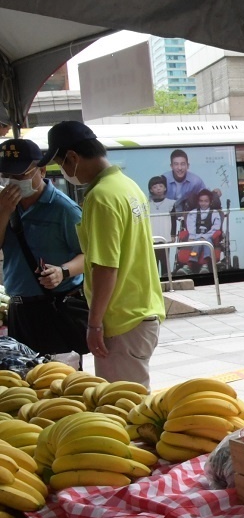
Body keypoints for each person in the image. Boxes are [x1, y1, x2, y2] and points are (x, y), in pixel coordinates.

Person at [39, 121, 165, 387]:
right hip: (142, 310)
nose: (63, 171)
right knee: (131, 400)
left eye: (61, 164)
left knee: (122, 407)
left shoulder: (101, 196)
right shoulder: (127, 185)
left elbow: (106, 267)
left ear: (73, 157)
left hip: (121, 319)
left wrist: (94, 324)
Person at [0, 138, 87, 357]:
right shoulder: (5, 205)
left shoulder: (64, 209)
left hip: (55, 308)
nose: (13, 182)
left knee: (58, 379)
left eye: (20, 175)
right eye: (8, 176)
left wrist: (62, 271)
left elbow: (90, 254)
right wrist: (3, 212)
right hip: (19, 308)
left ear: (42, 171)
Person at [179, 190, 222, 273]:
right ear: (198, 202)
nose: (203, 203)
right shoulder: (193, 212)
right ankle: (190, 265)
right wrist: (193, 237)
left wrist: (204, 237)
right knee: (198, 242)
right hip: (195, 236)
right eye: (201, 201)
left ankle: (200, 263)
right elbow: (191, 227)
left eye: (206, 201)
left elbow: (216, 227)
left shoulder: (215, 213)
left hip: (209, 237)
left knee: (206, 243)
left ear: (210, 202)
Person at [145, 175, 175, 276]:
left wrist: (173, 234)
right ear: (150, 190)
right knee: (153, 261)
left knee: (165, 260)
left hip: (165, 236)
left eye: (160, 186)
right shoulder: (147, 204)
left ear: (165, 188)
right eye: (155, 187)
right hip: (152, 237)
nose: (158, 188)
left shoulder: (170, 203)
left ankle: (167, 280)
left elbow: (173, 219)